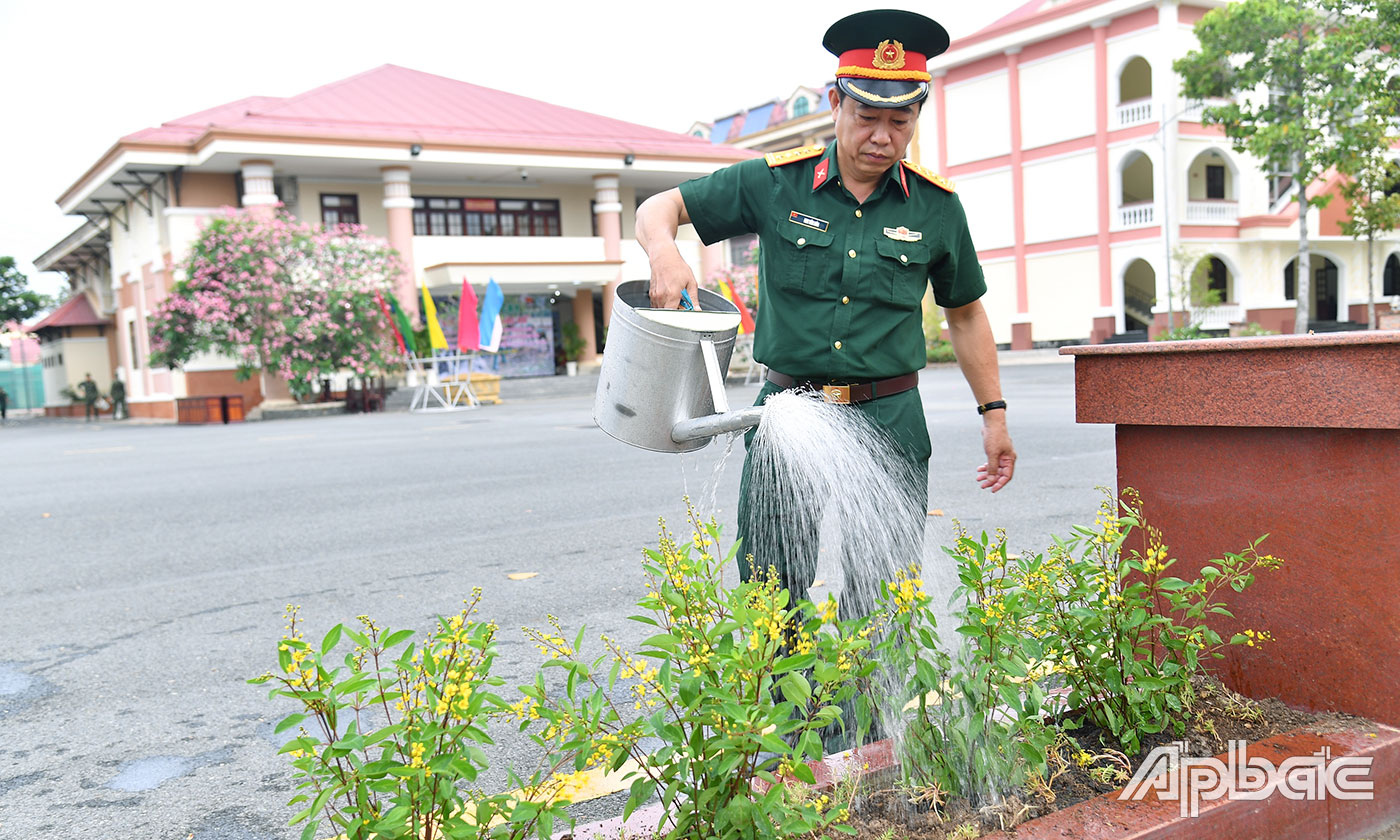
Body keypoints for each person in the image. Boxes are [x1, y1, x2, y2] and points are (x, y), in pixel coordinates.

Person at [635, 9, 1015, 612]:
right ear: (837, 103)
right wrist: (665, 253)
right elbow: (659, 208)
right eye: (867, 117)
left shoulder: (938, 208)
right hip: (790, 413)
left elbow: (965, 314)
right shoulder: (774, 184)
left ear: (918, 114)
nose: (883, 138)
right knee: (770, 586)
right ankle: (790, 710)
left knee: (884, 591)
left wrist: (993, 414)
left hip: (888, 418)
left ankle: (869, 711)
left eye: (900, 120)